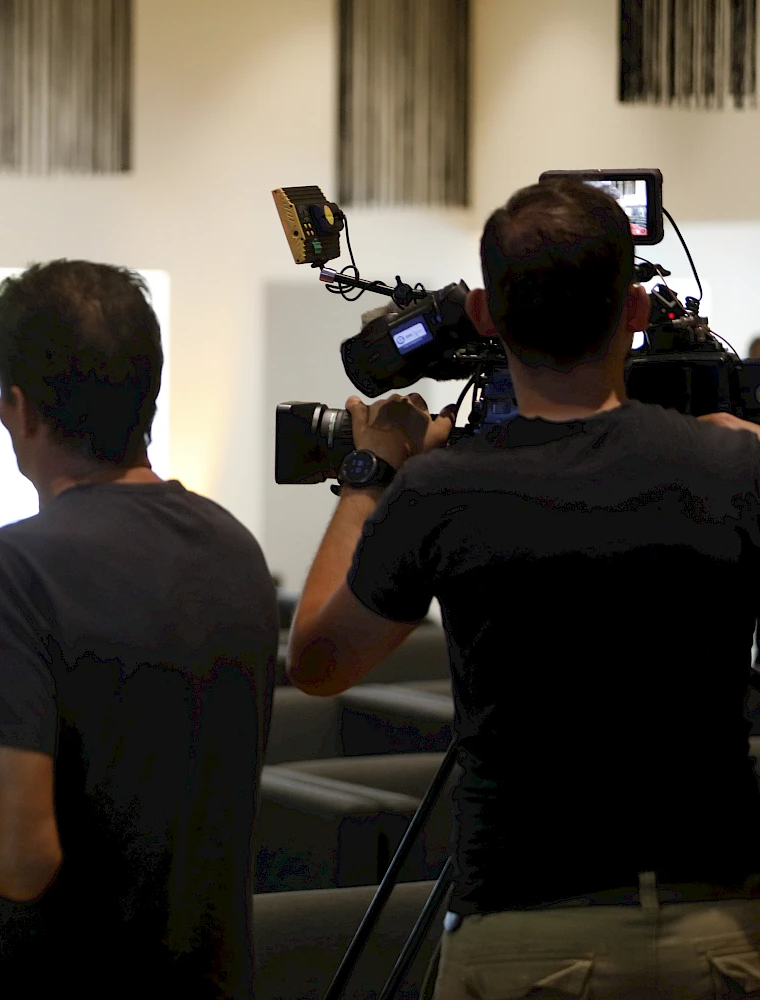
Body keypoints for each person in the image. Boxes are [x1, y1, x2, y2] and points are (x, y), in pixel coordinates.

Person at [288, 180, 760, 998]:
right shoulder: (734, 468)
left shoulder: (440, 490)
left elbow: (319, 662)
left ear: (482, 314)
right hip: (720, 934)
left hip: (524, 936)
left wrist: (370, 474)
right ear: (635, 310)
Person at [0, 260, 276, 999]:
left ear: (19, 409)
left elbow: (19, 859)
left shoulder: (8, 569)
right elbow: (127, 669)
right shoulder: (234, 549)